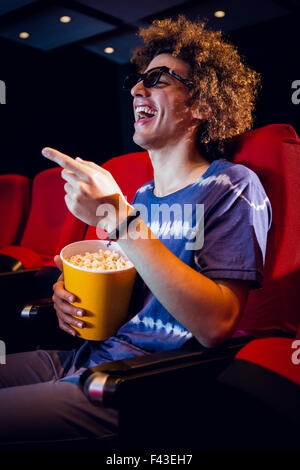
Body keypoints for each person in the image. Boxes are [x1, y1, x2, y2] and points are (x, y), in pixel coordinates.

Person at [0, 15, 271, 446]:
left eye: (158, 79)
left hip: (140, 383)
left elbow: (216, 324)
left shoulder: (232, 185)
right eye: (137, 80)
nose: (136, 90)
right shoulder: (141, 195)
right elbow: (124, 297)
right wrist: (68, 299)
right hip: (88, 355)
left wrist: (120, 219)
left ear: (202, 104)